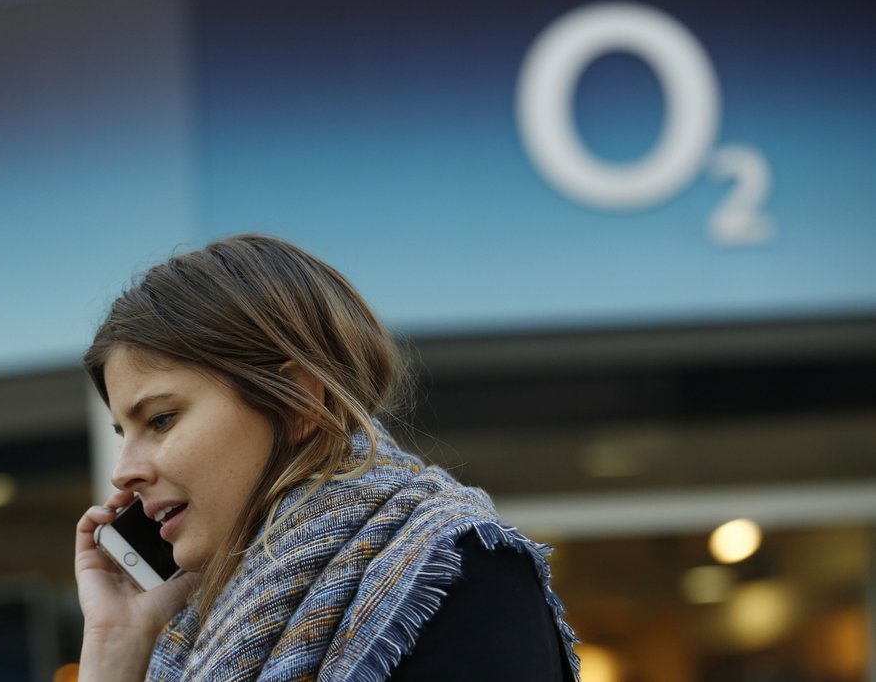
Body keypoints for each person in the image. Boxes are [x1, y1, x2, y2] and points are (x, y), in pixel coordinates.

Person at [75, 234, 581, 681]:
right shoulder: (191, 635)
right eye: (123, 433)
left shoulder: (456, 577)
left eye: (161, 420)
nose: (125, 471)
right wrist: (115, 646)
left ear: (296, 401)